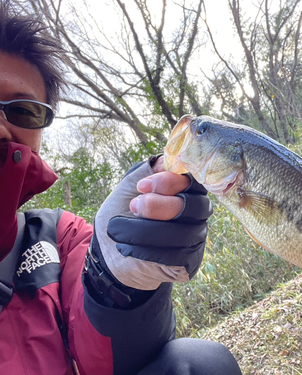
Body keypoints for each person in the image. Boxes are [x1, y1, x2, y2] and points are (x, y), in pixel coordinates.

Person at [0, 4, 242, 375]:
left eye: (23, 111)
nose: (1, 127)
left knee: (198, 365)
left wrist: (119, 282)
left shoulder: (60, 237)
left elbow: (110, 362)